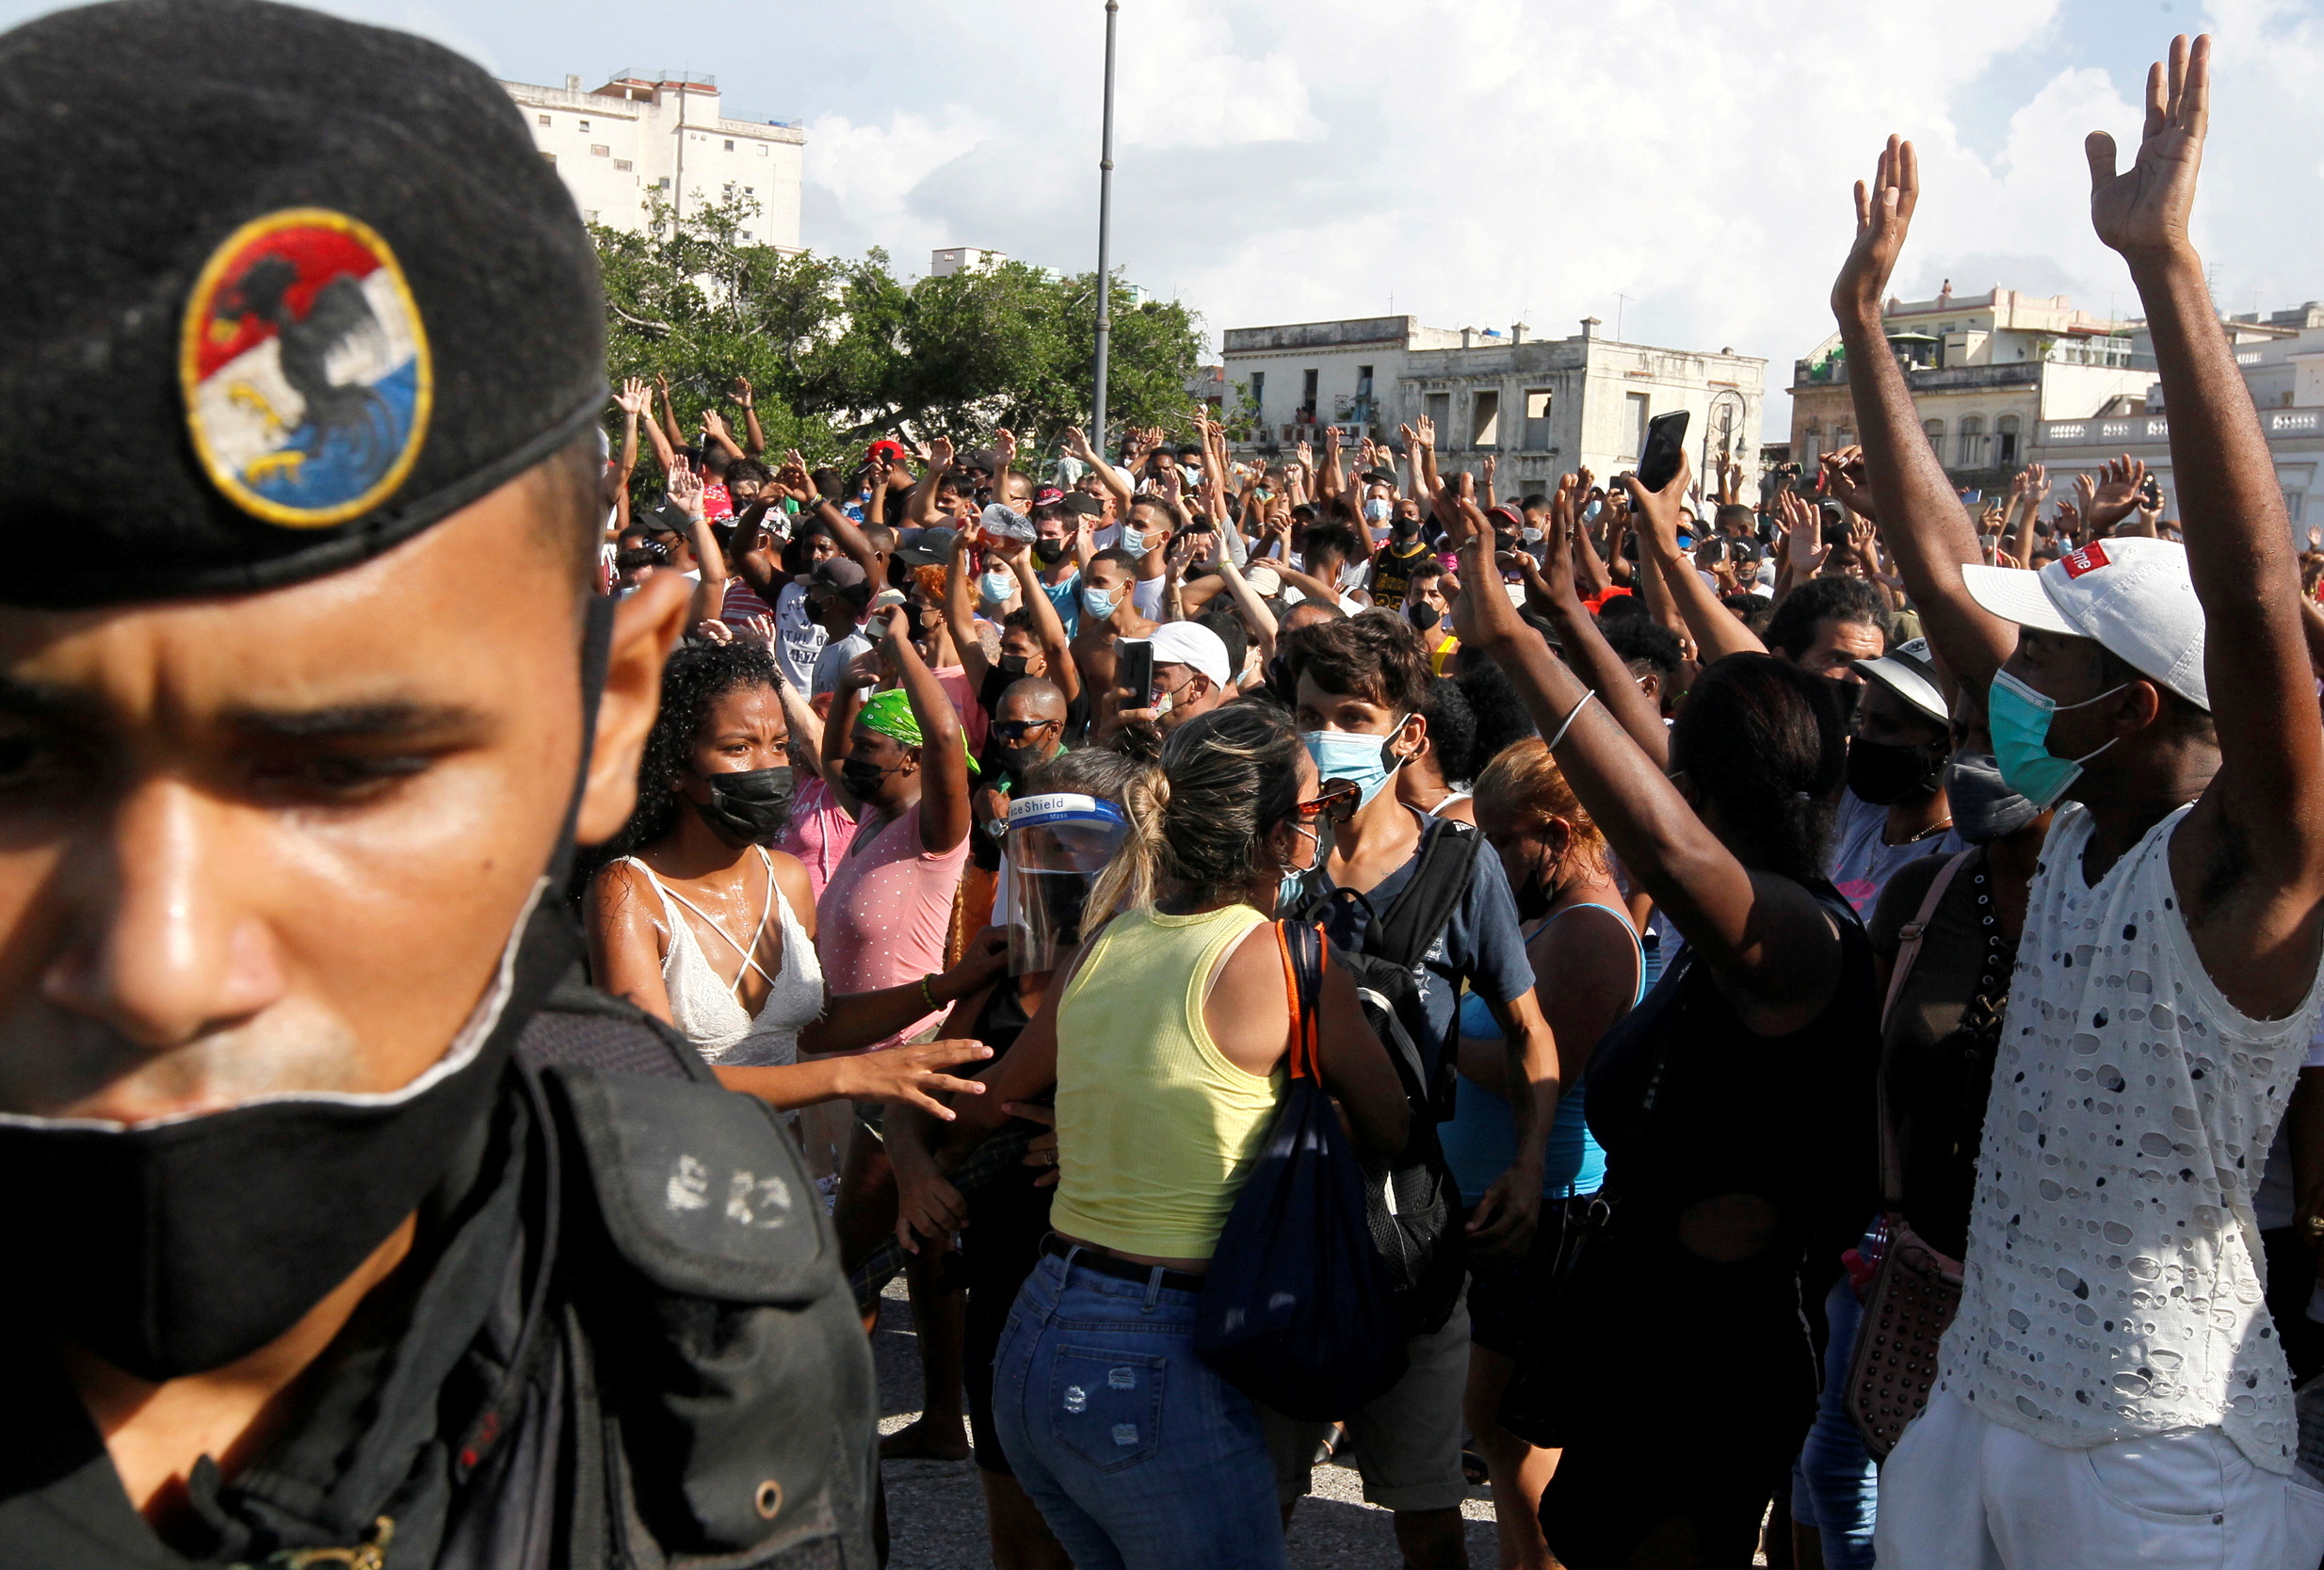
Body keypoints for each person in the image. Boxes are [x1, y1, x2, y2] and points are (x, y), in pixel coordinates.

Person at [0, 4, 873, 1564]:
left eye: (345, 772)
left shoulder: (703, 1326)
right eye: (13, 766)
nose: (159, 958)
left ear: (609, 713)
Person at [1834, 53, 2324, 1565]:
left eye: (2047, 656)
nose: (2005, 676)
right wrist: (1862, 326)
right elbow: (1937, 566)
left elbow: (2249, 594)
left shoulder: (2254, 871)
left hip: (2154, 1447)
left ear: (2145, 706)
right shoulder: (2068, 820)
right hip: (1981, 1398)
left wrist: (2164, 265)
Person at [1452, 473, 1880, 1570]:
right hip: (1652, 1323)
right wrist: (1556, 619)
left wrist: (1506, 638)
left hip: (1713, 1354)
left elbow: (1652, 818)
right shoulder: (1762, 897)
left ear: (1693, 786)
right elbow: (1646, 747)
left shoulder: (1785, 936)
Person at [920, 704, 1412, 1569]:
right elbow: (1391, 1124)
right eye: (1311, 813)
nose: (1320, 829)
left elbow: (989, 1101)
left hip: (1038, 1331)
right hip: (1156, 1355)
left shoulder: (1101, 943)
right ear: (1277, 840)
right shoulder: (1289, 959)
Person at [1270, 611, 1558, 1570]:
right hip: (1275, 1210)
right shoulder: (1268, 857)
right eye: (1307, 711)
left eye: (1348, 712)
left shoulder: (1459, 862)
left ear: (1407, 732)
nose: (1323, 731)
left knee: (1428, 1509)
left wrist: (1524, 1165)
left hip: (1406, 1220)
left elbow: (1527, 1029)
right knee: (1252, 1492)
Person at [887, 748, 1143, 1570]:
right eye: (1035, 841)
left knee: (1113, 1520)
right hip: (999, 1268)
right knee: (1016, 1521)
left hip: (1106, 1278)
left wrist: (1099, 1140)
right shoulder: (1000, 965)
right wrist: (918, 1172)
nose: (1053, 863)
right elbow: (908, 1093)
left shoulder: (1146, 966)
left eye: (1074, 843)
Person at [584, 639, 1007, 1105]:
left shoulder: (786, 877)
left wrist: (946, 986)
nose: (769, 767)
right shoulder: (629, 891)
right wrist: (850, 1075)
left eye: (780, 746)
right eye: (738, 747)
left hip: (783, 1161)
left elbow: (817, 1027)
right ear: (673, 767)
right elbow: (651, 1074)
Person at [1451, 738, 1644, 1570]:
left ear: (1559, 833)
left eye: (1502, 837)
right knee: (1497, 1437)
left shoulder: (1591, 932)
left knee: (1519, 1442)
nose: (1489, 855)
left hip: (1553, 1211)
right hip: (1503, 1204)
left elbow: (1534, 1072)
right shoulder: (1540, 916)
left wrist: (1420, 1026)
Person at [1829, 637, 1962, 918]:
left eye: (1888, 726)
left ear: (1947, 742)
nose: (1864, 739)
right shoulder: (1864, 812)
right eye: (1863, 720)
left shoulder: (1958, 852)